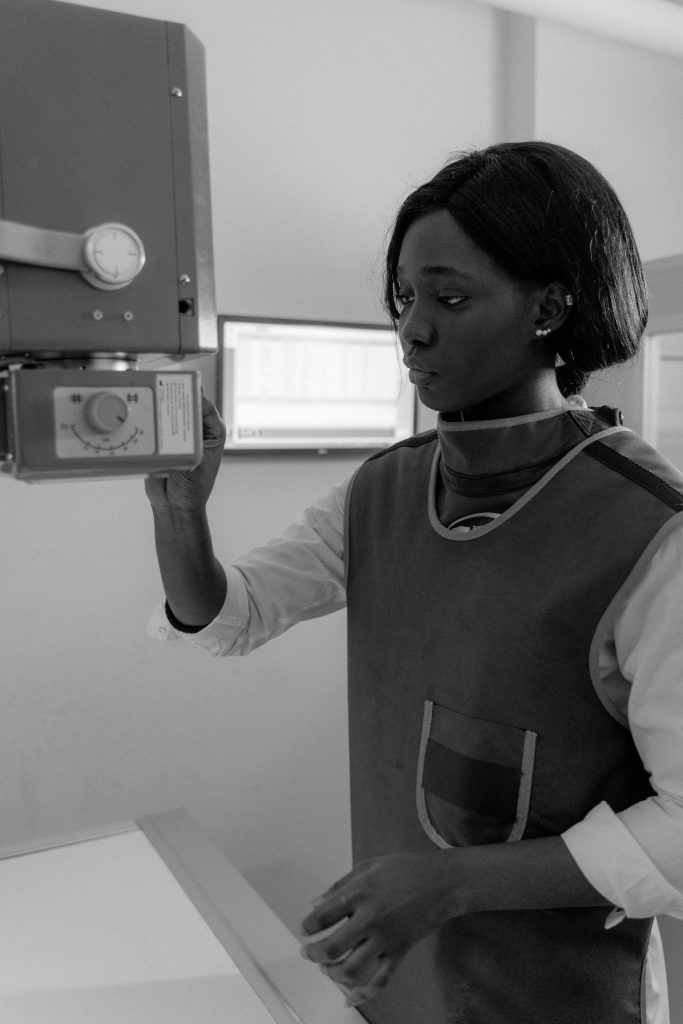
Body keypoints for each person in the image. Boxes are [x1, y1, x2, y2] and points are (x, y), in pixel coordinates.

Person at [145, 141, 683, 1024]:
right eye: (404, 296)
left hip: (559, 992)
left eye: (450, 296)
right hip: (403, 973)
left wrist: (450, 882)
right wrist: (179, 511)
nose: (412, 327)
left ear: (549, 306)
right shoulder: (383, 490)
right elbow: (229, 617)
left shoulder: (646, 528)